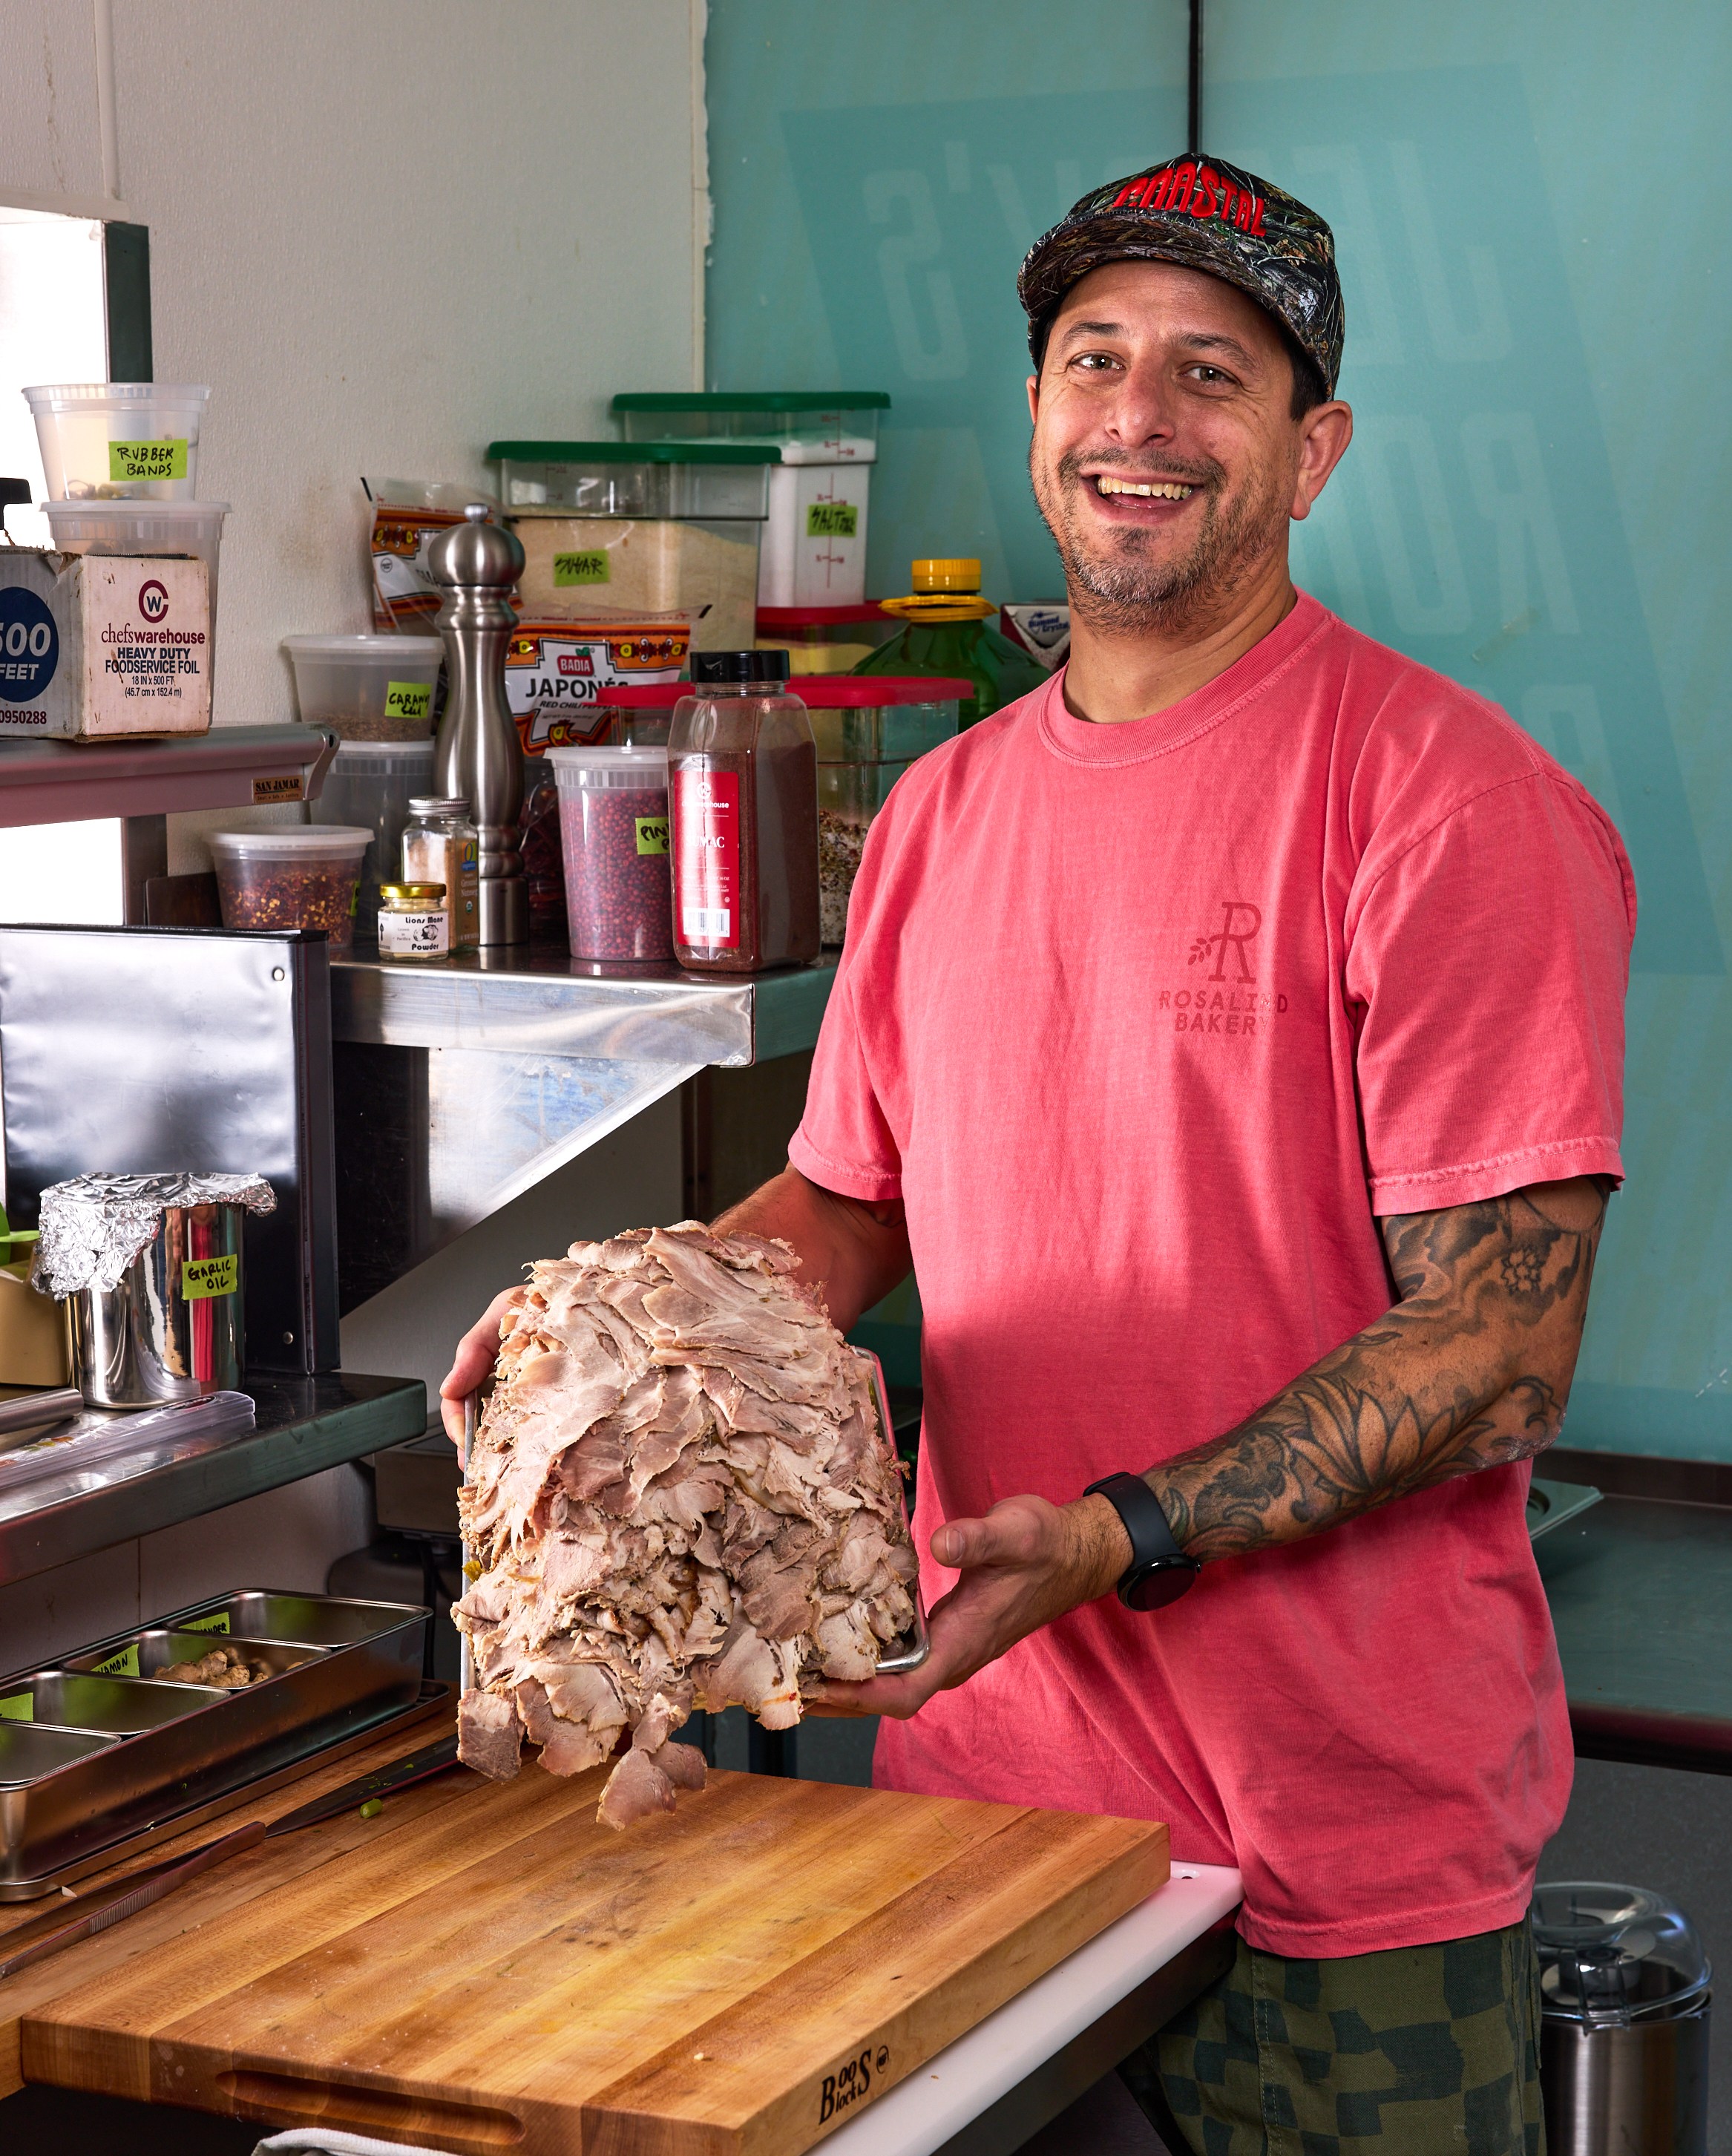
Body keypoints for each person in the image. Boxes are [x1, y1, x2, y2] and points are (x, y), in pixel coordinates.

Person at [444, 153, 1634, 2155]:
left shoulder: (1445, 802)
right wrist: (605, 1336)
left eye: (1211, 373)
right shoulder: (941, 817)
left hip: (1339, 1859)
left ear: (1310, 449)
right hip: (979, 1816)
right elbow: (848, 1206)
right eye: (1095, 360)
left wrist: (1115, 1533)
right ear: (1036, 419)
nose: (1139, 419)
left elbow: (1499, 1347)